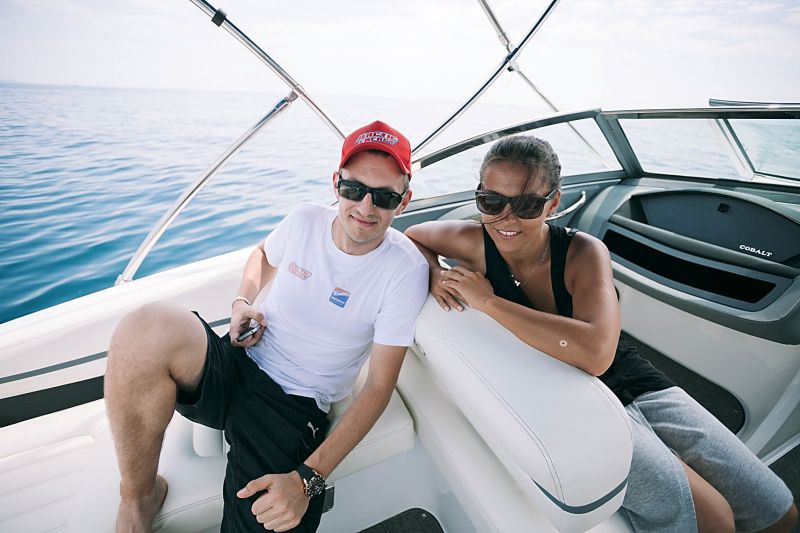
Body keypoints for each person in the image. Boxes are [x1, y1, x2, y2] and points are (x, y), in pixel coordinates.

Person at [404, 135, 798, 533]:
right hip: (565, 393)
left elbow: (597, 355)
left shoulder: (584, 252)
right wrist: (435, 273)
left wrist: (489, 302)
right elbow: (412, 237)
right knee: (715, 520)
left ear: (553, 204)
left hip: (630, 377)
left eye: (526, 205)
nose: (506, 218)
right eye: (491, 202)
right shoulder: (470, 240)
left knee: (777, 511)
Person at [105, 120, 429, 533]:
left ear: (404, 202)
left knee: (270, 520)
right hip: (238, 358)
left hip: (293, 405)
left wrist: (308, 480)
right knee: (144, 327)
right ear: (336, 184)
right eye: (354, 189)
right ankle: (139, 496)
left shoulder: (404, 270)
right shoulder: (305, 220)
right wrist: (243, 302)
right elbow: (262, 254)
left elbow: (379, 387)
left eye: (384, 197)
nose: (366, 208)